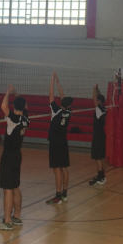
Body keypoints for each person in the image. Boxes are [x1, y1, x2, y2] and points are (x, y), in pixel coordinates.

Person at [0, 84, 30, 231]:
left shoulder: (13, 118)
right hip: (17, 155)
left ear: (14, 106)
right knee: (15, 186)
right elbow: (23, 105)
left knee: (7, 189)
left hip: (8, 155)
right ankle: (17, 217)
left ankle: (7, 221)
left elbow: (3, 106)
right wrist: (16, 94)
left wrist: (8, 92)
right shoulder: (26, 119)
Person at [46, 71, 72, 205]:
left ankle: (57, 197)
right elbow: (63, 98)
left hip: (55, 143)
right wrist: (58, 83)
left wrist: (52, 81)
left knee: (57, 170)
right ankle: (64, 194)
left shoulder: (56, 110)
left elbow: (51, 96)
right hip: (63, 142)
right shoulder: (69, 112)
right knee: (64, 169)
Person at [89, 83, 109, 186]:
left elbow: (94, 99)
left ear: (99, 101)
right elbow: (99, 97)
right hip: (102, 134)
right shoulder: (104, 108)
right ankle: (102, 176)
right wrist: (97, 89)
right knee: (101, 157)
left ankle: (100, 177)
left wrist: (93, 89)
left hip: (98, 135)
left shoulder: (98, 109)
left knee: (98, 158)